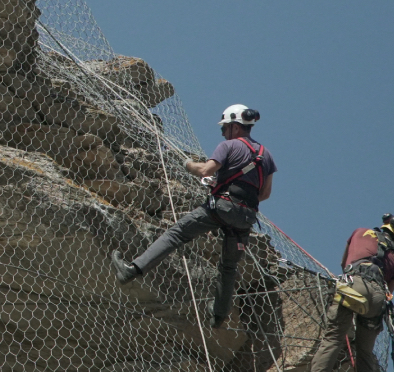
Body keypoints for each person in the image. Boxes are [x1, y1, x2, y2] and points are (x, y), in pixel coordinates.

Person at [111, 104, 277, 328]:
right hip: (246, 216)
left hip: (222, 207)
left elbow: (205, 171)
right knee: (228, 266)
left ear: (235, 127)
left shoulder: (228, 146)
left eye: (225, 127)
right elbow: (264, 194)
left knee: (176, 234)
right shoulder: (265, 155)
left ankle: (133, 269)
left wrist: (188, 164)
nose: (222, 132)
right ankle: (219, 315)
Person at [297, 214, 394, 372]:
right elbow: (388, 294)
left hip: (354, 284)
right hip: (377, 298)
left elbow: (344, 262)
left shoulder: (359, 232)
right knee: (365, 354)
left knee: (333, 338)